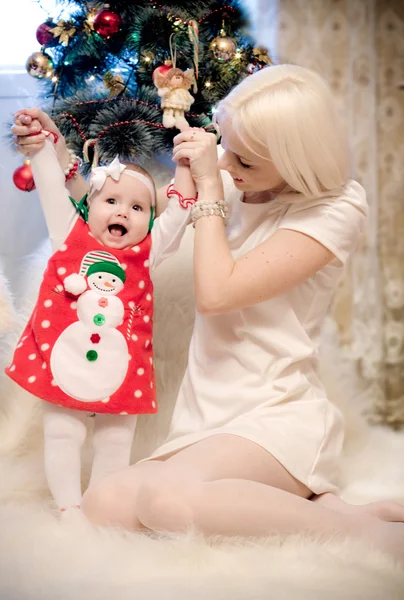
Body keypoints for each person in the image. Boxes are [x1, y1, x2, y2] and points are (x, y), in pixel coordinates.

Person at [12, 65, 404, 560]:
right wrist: (55, 156)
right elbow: (124, 214)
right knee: (102, 505)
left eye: (243, 160)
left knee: (166, 499)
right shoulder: (238, 167)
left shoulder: (338, 207)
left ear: (293, 161)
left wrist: (212, 194)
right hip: (205, 422)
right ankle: (331, 510)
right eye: (227, 146)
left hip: (276, 414)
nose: (227, 163)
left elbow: (218, 293)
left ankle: (367, 537)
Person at [8, 110, 196, 512]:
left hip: (123, 368)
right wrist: (41, 143)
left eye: (137, 207)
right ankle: (68, 509)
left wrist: (184, 164)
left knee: (115, 440)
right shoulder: (68, 234)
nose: (123, 212)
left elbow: (179, 212)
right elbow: (50, 186)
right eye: (111, 201)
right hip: (64, 359)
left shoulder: (147, 253)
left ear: (149, 221)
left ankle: (98, 507)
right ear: (88, 208)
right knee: (62, 433)